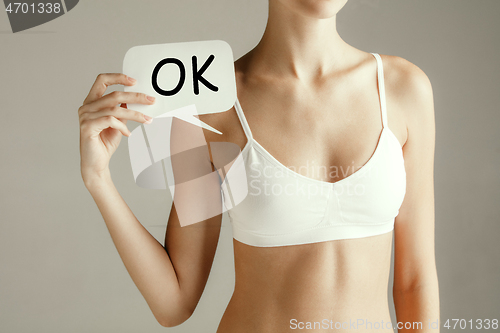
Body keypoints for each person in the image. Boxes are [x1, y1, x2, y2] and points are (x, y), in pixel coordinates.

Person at [79, 0, 439, 331]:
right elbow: (174, 301)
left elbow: (414, 283)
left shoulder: (403, 89)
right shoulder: (209, 111)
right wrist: (98, 179)